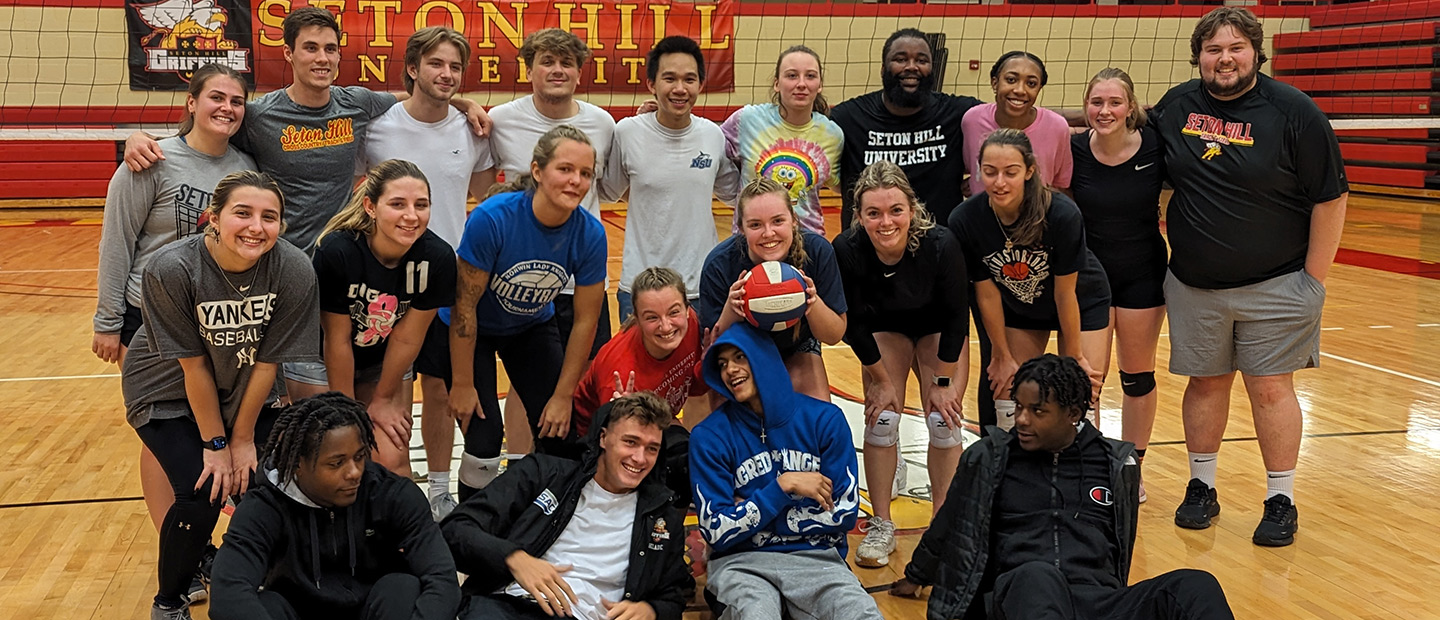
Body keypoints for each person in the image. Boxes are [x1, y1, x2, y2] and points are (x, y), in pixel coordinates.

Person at [1152, 7, 1348, 546]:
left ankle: (1280, 498)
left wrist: (1314, 281)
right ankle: (1200, 487)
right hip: (1194, 284)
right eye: (1214, 49)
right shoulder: (1177, 106)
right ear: (1199, 56)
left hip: (1279, 283)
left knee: (1270, 390)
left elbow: (1331, 198)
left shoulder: (1294, 112)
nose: (1225, 58)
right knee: (1206, 384)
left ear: (1256, 52)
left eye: (1236, 47)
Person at [892, 354, 1236, 620]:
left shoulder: (1115, 464)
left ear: (1073, 413)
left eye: (1037, 411)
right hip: (1018, 597)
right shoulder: (990, 458)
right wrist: (917, 574)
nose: (1022, 419)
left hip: (1099, 601)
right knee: (1039, 577)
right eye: (1019, 408)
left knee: (1195, 585)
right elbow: (950, 523)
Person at [121, 7, 490, 253]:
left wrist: (463, 102)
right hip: (276, 253)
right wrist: (144, 139)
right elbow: (208, 128)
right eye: (310, 48)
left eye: (330, 49)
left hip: (339, 253)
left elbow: (415, 96)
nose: (322, 58)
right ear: (289, 54)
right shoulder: (259, 114)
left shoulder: (357, 103)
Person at [121, 170, 320, 620]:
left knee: (271, 483)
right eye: (243, 213)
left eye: (270, 217)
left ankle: (269, 583)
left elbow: (269, 363)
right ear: (212, 217)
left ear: (281, 225)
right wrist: (216, 445)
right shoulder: (172, 268)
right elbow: (193, 367)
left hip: (246, 380)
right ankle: (168, 604)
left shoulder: (292, 268)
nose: (256, 226)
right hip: (166, 389)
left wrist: (244, 437)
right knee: (203, 489)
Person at [93, 64, 257, 598]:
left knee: (201, 423)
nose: (226, 108)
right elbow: (117, 241)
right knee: (163, 430)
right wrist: (108, 320)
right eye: (216, 97)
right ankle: (180, 549)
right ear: (190, 101)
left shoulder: (244, 165)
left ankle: (201, 549)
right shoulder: (150, 161)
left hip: (215, 319)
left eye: (236, 100)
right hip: (151, 314)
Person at [349, 25, 496, 516]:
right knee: (387, 384)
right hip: (383, 280)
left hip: (448, 278)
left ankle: (437, 488)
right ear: (412, 69)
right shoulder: (377, 127)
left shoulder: (472, 130)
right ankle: (383, 479)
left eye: (456, 67)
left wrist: (467, 106)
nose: (447, 74)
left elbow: (479, 193)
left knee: (438, 386)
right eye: (436, 64)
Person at [418, 125, 606, 499]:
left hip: (531, 326)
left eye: (585, 174)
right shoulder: (494, 219)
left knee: (562, 433)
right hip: (473, 330)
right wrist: (462, 384)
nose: (576, 181)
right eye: (565, 169)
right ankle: (470, 526)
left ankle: (545, 517)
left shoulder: (590, 234)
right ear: (537, 171)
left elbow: (586, 320)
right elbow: (463, 306)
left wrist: (564, 395)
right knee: (485, 439)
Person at [441, 392, 693, 620]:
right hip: (508, 605)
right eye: (630, 442)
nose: (640, 458)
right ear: (603, 438)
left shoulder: (662, 515)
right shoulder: (543, 474)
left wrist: (651, 610)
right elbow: (455, 530)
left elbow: (673, 595)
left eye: (651, 449)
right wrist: (514, 559)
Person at [210, 393, 462, 620]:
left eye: (360, 456)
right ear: (298, 464)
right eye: (336, 463)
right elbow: (228, 592)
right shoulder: (264, 508)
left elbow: (442, 579)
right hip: (298, 612)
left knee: (403, 589)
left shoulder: (391, 494)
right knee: (268, 606)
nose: (354, 472)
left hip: (373, 610)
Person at [690, 323, 881, 620]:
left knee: (861, 614)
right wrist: (782, 489)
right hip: (741, 565)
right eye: (722, 363)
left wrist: (750, 513)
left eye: (740, 357)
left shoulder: (825, 420)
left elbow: (843, 511)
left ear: (763, 357)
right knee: (756, 615)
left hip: (818, 562)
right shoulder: (709, 436)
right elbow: (716, 531)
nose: (730, 370)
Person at [487, 27, 617, 460]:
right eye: (547, 61)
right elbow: (484, 184)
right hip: (521, 282)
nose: (557, 70)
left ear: (580, 73)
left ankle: (584, 471)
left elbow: (611, 190)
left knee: (589, 380)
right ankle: (521, 469)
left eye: (567, 63)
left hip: (582, 279)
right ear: (529, 70)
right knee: (526, 387)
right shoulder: (500, 120)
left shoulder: (602, 123)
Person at [833, 160, 969, 568]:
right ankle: (881, 525)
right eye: (873, 213)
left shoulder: (940, 244)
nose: (885, 222)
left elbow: (956, 317)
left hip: (935, 329)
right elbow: (852, 323)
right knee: (882, 418)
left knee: (944, 421)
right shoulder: (848, 249)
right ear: (859, 216)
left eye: (895, 210)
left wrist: (942, 382)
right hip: (882, 329)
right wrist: (880, 380)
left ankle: (942, 524)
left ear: (912, 209)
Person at [949, 129, 1111, 428]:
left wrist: (1073, 357)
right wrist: (1000, 354)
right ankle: (1014, 470)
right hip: (1019, 303)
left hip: (1080, 299)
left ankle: (1084, 468)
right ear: (977, 171)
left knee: (1080, 391)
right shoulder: (965, 219)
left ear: (1029, 171)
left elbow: (1066, 293)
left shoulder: (1061, 214)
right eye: (990, 172)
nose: (999, 182)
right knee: (1010, 387)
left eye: (1010, 172)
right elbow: (986, 293)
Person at [310, 160, 457, 477]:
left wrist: (382, 398)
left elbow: (408, 337)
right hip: (319, 357)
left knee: (391, 458)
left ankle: (395, 525)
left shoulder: (438, 258)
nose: (411, 216)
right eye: (397, 204)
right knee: (332, 452)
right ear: (370, 207)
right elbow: (336, 339)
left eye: (421, 205)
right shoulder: (337, 251)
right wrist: (348, 413)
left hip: (383, 359)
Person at [1069, 67, 1167, 503]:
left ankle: (1133, 468)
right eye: (1096, 102)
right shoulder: (1073, 149)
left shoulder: (1155, 146)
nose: (1104, 110)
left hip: (1142, 274)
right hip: (1088, 277)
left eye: (1114, 102)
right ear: (1086, 106)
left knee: (1137, 376)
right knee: (1086, 379)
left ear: (1132, 108)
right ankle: (1088, 466)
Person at [602, 35, 741, 323]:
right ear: (652, 84)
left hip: (701, 285)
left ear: (701, 85)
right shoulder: (627, 132)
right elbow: (607, 191)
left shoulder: (712, 135)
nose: (680, 88)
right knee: (639, 369)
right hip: (639, 285)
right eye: (670, 78)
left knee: (702, 368)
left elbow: (736, 194)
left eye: (689, 79)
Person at [698, 177, 847, 401]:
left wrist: (812, 303)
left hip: (798, 345)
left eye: (778, 221)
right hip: (739, 350)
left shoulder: (817, 251)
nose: (768, 233)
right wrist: (731, 309)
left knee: (815, 420)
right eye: (755, 225)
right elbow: (713, 348)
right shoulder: (720, 264)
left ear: (794, 220)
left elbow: (834, 335)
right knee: (727, 425)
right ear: (741, 228)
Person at [571, 267, 709, 504]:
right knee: (652, 477)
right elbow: (614, 451)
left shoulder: (692, 326)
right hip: (593, 442)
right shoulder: (619, 372)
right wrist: (625, 417)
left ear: (688, 309)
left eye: (673, 312)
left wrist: (707, 364)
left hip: (657, 422)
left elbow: (694, 389)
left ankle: (670, 530)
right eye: (652, 317)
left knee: (694, 461)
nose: (666, 327)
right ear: (636, 317)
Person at [831, 28, 982, 229]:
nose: (912, 67)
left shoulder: (960, 114)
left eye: (921, 60)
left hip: (939, 246)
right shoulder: (848, 118)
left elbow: (1011, 128)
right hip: (868, 246)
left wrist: (984, 177)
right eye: (901, 59)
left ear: (931, 68)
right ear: (883, 69)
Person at [721, 44, 844, 236]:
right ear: (777, 83)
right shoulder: (746, 121)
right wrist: (658, 119)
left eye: (810, 76)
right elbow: (705, 145)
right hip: (751, 238)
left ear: (819, 85)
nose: (801, 83)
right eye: (792, 75)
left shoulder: (832, 135)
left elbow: (840, 185)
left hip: (807, 239)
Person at [961, 50, 1073, 197]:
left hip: (1037, 217)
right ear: (995, 83)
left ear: (1039, 89)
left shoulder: (1057, 127)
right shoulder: (972, 120)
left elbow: (1061, 186)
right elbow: (968, 170)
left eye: (1031, 83)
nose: (1020, 90)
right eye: (1011, 80)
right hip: (983, 217)